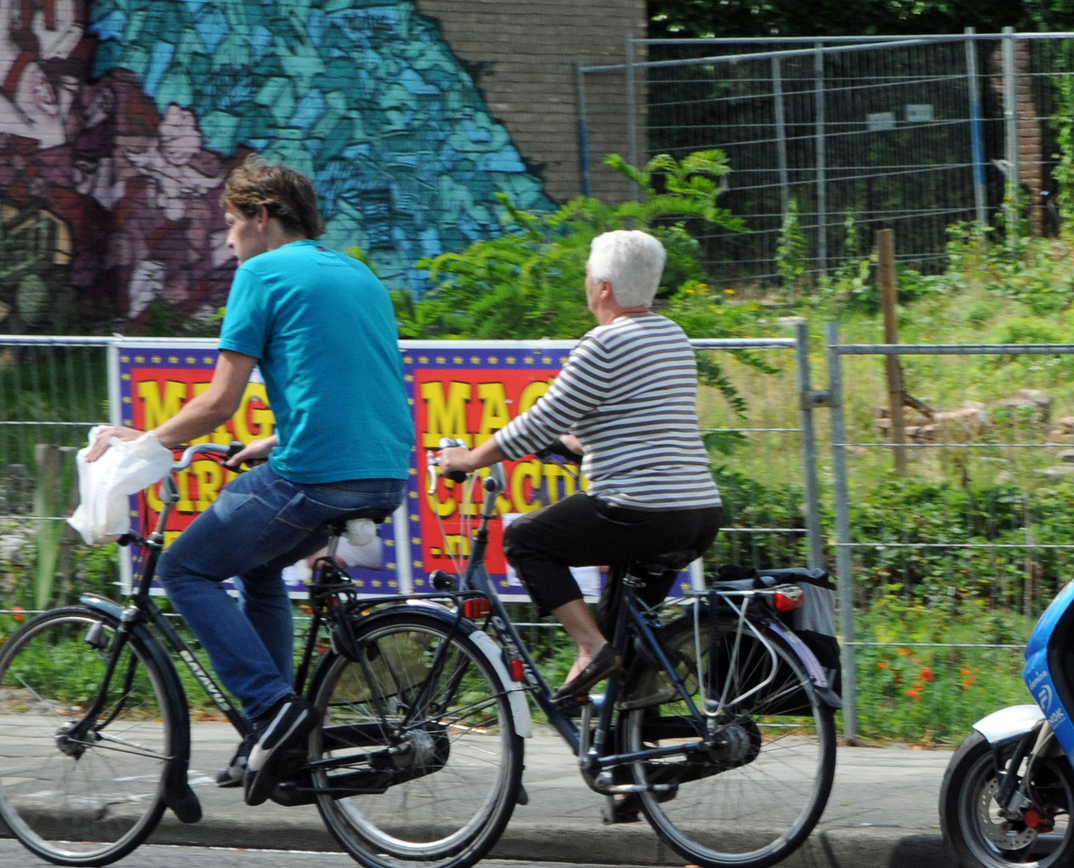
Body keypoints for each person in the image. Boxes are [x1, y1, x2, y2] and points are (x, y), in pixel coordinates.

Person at [84, 158, 413, 805]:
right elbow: (350, 386)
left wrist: (144, 442)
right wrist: (266, 444)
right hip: (383, 472)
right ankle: (270, 736)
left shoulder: (263, 272)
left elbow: (218, 400)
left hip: (315, 473)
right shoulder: (358, 273)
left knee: (185, 569)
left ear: (263, 217)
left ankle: (273, 707)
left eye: (232, 225)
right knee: (260, 569)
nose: (229, 242)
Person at [435, 230, 723, 702]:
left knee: (525, 540)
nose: (585, 283)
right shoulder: (672, 335)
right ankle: (629, 745)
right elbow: (636, 418)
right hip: (697, 513)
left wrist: (468, 459)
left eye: (588, 275)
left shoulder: (603, 344)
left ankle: (588, 649)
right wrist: (574, 445)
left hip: (638, 510)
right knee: (624, 636)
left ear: (604, 287)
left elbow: (538, 421)